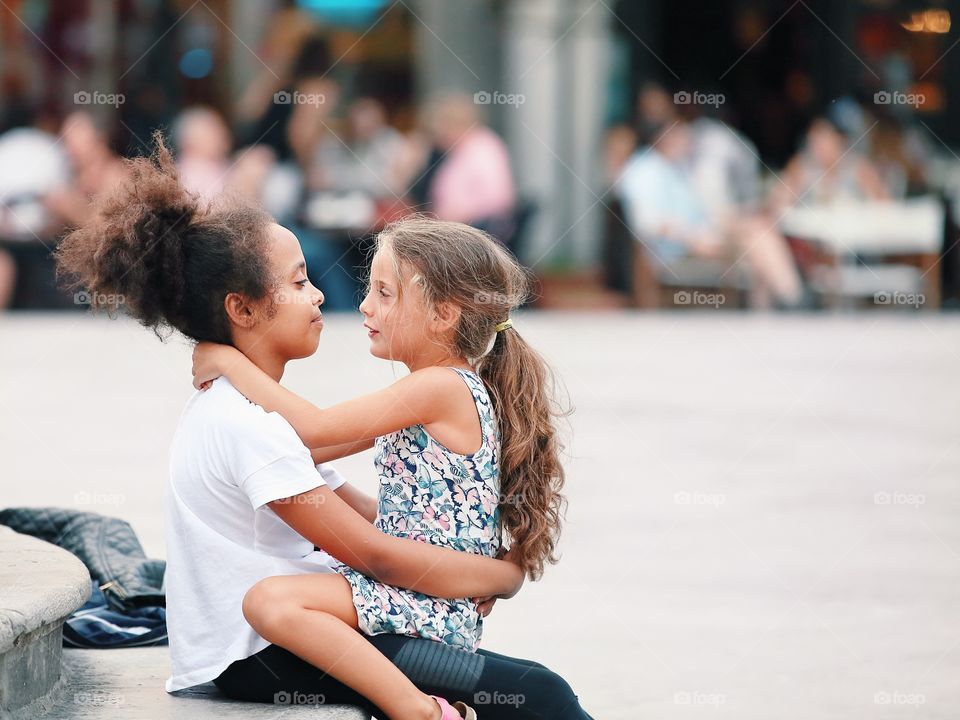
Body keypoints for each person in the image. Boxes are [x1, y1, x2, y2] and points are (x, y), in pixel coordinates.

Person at [54, 135, 593, 720]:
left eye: (381, 294)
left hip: (324, 623)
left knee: (536, 690)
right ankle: (423, 712)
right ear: (242, 309)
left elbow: (328, 458)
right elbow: (367, 540)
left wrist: (498, 573)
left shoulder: (261, 413)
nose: (326, 298)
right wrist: (499, 575)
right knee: (540, 693)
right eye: (297, 281)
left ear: (442, 314)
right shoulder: (245, 421)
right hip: (265, 651)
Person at [190, 216, 567, 719]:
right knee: (275, 601)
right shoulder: (435, 392)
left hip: (424, 600)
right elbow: (305, 451)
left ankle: (420, 712)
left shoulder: (438, 388)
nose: (364, 306)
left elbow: (316, 429)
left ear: (443, 315)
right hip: (424, 593)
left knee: (271, 604)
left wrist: (230, 361)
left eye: (385, 294)